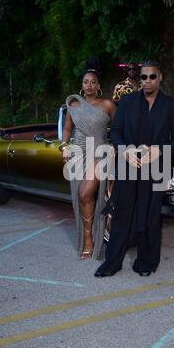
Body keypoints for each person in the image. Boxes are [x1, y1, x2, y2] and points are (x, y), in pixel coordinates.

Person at [95, 60, 174, 277]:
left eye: (152, 77)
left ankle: (147, 262)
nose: (147, 81)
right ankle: (112, 263)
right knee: (122, 214)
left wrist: (160, 151)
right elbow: (115, 132)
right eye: (143, 77)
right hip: (128, 165)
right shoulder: (126, 102)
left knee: (151, 215)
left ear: (160, 77)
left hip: (156, 167)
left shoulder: (171, 105)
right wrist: (125, 150)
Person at [61, 62, 116, 260]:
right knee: (82, 196)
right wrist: (64, 145)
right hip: (78, 153)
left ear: (99, 84)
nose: (89, 85)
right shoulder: (73, 106)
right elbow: (67, 129)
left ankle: (89, 239)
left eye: (93, 82)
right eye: (86, 82)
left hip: (99, 152)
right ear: (82, 85)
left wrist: (115, 147)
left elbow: (118, 130)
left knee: (85, 192)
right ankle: (87, 235)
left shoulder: (108, 105)